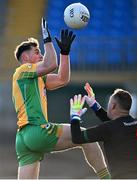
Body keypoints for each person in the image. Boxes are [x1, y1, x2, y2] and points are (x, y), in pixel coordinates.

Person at [12, 18, 109, 179]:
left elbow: (63, 79)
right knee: (85, 136)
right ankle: (107, 178)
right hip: (37, 130)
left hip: (23, 139)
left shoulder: (35, 78)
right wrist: (47, 40)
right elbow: (51, 64)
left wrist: (64, 53)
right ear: (26, 58)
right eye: (37, 52)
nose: (41, 54)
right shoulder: (22, 70)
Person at [70, 83, 137, 179]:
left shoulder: (109, 128)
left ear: (113, 106)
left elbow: (77, 138)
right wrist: (94, 105)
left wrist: (75, 117)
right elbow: (116, 125)